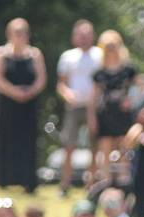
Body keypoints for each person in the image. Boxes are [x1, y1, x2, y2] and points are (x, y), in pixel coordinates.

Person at [0, 18, 44, 190]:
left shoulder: (35, 54)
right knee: (6, 140)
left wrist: (29, 92)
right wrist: (16, 92)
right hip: (7, 104)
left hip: (28, 105)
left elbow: (41, 79)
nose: (20, 36)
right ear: (9, 34)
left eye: (23, 32)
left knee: (28, 141)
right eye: (16, 32)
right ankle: (3, 180)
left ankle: (27, 181)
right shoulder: (0, 54)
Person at [90, 30, 140, 190]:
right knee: (105, 150)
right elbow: (93, 98)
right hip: (105, 114)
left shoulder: (128, 70)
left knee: (125, 148)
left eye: (113, 46)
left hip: (123, 113)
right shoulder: (99, 73)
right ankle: (106, 182)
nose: (111, 50)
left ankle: (123, 182)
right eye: (107, 46)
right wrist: (91, 117)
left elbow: (142, 87)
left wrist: (131, 100)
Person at [55, 20, 99, 191]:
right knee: (69, 145)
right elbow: (61, 84)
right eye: (81, 35)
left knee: (95, 147)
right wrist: (68, 94)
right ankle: (65, 184)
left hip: (94, 107)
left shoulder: (100, 55)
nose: (85, 38)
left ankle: (92, 184)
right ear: (74, 38)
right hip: (74, 107)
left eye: (88, 35)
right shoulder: (68, 56)